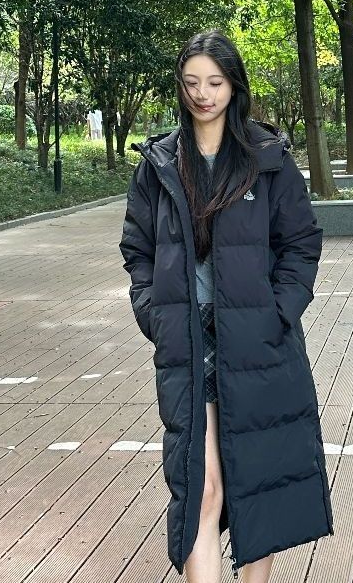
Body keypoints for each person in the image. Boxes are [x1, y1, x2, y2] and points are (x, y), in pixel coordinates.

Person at [119, 30, 333, 582]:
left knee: (257, 483)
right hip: (189, 342)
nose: (202, 94)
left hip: (257, 342)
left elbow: (301, 243)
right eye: (191, 83)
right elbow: (137, 248)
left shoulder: (267, 159)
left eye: (214, 83)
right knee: (201, 487)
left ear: (234, 86)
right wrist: (153, 312)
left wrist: (277, 312)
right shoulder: (159, 162)